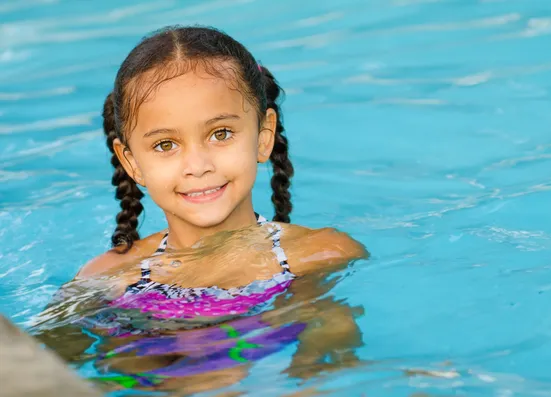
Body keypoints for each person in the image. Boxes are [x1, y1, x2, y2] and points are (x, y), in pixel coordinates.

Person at [32, 25, 368, 393]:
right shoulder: (109, 276)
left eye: (220, 134)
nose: (197, 165)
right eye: (165, 145)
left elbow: (330, 368)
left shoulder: (316, 255)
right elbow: (34, 369)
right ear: (132, 163)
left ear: (263, 136)